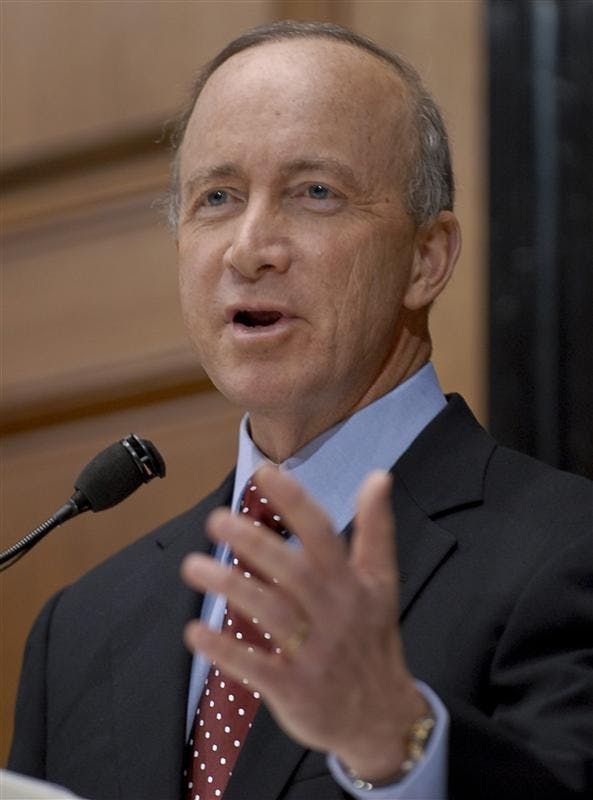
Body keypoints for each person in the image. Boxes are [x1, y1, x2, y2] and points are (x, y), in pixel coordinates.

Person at [8, 20, 592, 800]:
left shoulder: (566, 549)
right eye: (216, 197)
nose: (250, 247)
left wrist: (398, 746)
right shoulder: (81, 629)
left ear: (426, 259)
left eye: (314, 193)